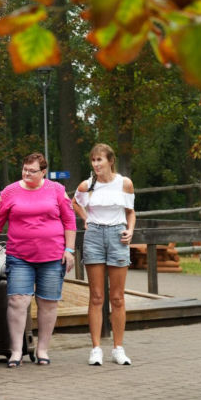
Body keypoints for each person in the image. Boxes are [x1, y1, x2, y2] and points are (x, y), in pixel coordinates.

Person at [0, 152, 76, 367]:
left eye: (33, 171)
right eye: (25, 169)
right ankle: (16, 351)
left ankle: (43, 349)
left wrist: (69, 250)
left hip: (52, 255)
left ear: (43, 172)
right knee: (17, 301)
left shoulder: (56, 190)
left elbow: (69, 221)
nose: (27, 173)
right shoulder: (10, 191)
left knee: (48, 302)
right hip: (19, 255)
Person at [74, 143, 136, 366]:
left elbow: (130, 212)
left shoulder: (124, 184)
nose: (96, 164)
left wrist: (130, 230)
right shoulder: (88, 184)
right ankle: (96, 348)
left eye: (99, 160)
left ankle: (118, 348)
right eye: (93, 160)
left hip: (117, 236)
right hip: (94, 237)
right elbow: (75, 202)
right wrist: (85, 219)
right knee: (97, 296)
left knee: (117, 297)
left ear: (111, 161)